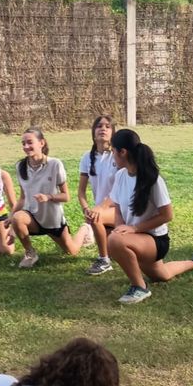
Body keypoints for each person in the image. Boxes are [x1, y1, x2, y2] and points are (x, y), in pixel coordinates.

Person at [107, 129, 193, 304]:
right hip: (136, 239)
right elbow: (118, 210)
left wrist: (133, 229)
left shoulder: (153, 180)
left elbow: (167, 215)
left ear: (122, 152)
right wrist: (120, 229)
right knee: (161, 275)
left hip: (156, 240)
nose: (112, 156)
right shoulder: (120, 176)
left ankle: (140, 287)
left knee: (114, 240)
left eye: (113, 151)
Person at [9, 126, 92, 268]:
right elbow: (23, 198)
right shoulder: (20, 167)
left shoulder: (55, 164)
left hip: (53, 220)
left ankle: (85, 229)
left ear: (42, 143)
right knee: (18, 218)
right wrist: (11, 218)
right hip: (32, 219)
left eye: (30, 142)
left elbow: (66, 196)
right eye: (23, 143)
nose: (26, 147)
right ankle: (30, 253)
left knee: (72, 251)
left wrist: (48, 197)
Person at [76, 114, 119, 275]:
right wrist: (86, 208)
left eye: (108, 126)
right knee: (96, 218)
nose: (103, 129)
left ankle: (104, 260)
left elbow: (119, 191)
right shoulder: (87, 158)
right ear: (93, 132)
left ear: (113, 132)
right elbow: (81, 192)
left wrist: (100, 208)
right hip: (100, 211)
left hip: (119, 209)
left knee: (97, 217)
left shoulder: (118, 155)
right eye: (99, 126)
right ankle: (103, 244)